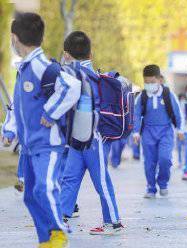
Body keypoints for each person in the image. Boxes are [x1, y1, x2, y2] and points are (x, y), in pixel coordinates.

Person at [2, 12, 81, 247]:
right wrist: (9, 130)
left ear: (14, 38)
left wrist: (50, 112)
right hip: (29, 146)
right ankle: (46, 238)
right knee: (31, 194)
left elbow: (72, 86)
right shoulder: (24, 68)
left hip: (48, 143)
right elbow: (17, 106)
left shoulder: (39, 65)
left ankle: (59, 232)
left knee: (45, 187)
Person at [58, 31, 124, 235]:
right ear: (90, 54)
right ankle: (61, 217)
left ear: (66, 54)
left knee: (98, 179)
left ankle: (113, 222)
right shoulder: (92, 74)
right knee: (71, 176)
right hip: (89, 136)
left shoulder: (70, 75)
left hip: (90, 136)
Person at [132, 65, 183, 198]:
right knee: (149, 161)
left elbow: (177, 113)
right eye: (146, 82)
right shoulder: (142, 96)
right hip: (148, 132)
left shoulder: (168, 94)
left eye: (152, 82)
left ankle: (163, 183)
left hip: (166, 131)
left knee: (165, 159)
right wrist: (136, 132)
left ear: (160, 80)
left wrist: (179, 129)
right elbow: (136, 115)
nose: (149, 85)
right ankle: (151, 187)